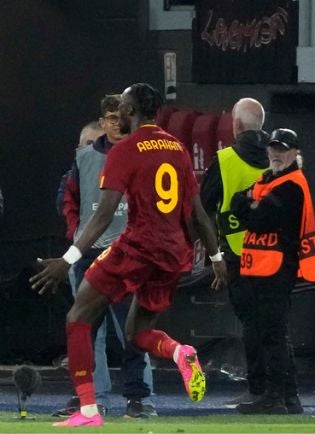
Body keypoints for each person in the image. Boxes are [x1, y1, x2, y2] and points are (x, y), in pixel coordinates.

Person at [30, 83, 227, 427]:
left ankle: (89, 409)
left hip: (135, 246)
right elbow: (198, 213)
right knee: (137, 333)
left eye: (121, 105)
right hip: (172, 255)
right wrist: (216, 258)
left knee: (78, 316)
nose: (117, 112)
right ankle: (180, 351)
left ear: (132, 110)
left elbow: (104, 215)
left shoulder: (125, 150)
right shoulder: (177, 148)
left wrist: (68, 260)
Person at [54, 98, 158, 419]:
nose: (116, 123)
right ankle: (89, 400)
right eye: (111, 118)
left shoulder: (142, 155)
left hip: (128, 253)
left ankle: (139, 399)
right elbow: (68, 199)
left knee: (132, 331)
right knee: (85, 331)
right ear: (103, 121)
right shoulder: (84, 158)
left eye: (121, 117)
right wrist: (78, 236)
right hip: (91, 253)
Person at [229, 128, 315, 414]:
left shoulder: (291, 184)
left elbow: (259, 220)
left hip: (277, 268)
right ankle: (288, 396)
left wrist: (249, 205)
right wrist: (249, 204)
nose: (276, 153)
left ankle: (275, 397)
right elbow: (237, 203)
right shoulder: (269, 179)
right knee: (270, 332)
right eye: (273, 148)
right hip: (260, 268)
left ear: (295, 153)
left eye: (283, 149)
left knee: (272, 334)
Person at [200, 98, 270, 407]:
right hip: (275, 254)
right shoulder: (280, 157)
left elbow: (203, 208)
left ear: (237, 125)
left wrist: (210, 256)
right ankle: (280, 389)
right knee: (275, 326)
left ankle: (258, 389)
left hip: (237, 254)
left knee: (252, 324)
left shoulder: (225, 159)